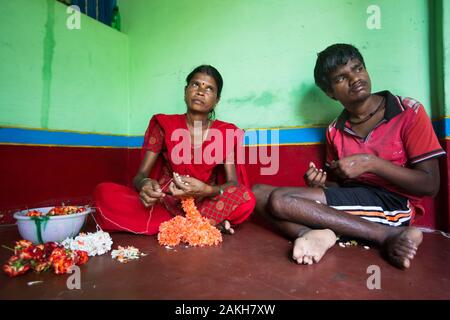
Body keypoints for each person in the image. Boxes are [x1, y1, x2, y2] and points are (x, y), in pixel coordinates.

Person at [252, 44, 445, 269]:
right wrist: (321, 183)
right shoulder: (335, 130)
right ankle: (315, 234)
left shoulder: (407, 111)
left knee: (280, 200)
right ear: (330, 92)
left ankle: (388, 235)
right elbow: (340, 187)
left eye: (358, 68)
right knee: (256, 193)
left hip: (394, 205)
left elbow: (430, 185)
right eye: (341, 78)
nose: (354, 78)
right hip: (355, 201)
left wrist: (372, 163)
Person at [94, 65, 256, 235]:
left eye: (209, 88)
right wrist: (145, 184)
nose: (200, 91)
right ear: (186, 91)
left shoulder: (225, 132)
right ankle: (201, 226)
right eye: (195, 85)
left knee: (246, 199)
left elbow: (233, 184)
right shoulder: (164, 125)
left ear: (217, 99)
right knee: (103, 193)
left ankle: (182, 226)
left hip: (205, 203)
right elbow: (140, 176)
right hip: (166, 202)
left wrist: (206, 190)